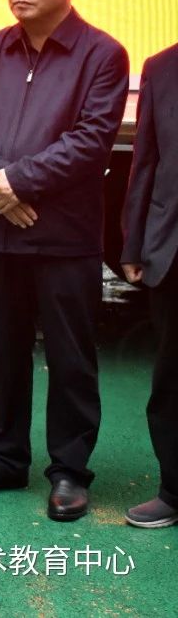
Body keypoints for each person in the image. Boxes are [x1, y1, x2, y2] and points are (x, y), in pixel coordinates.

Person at [0, 0, 128, 521]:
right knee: (3, 350)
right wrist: (1, 189)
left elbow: (91, 139)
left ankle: (70, 470)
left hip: (63, 236)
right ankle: (3, 457)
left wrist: (19, 183)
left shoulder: (101, 54)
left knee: (71, 356)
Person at [121, 40, 178, 528]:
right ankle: (173, 490)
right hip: (172, 250)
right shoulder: (162, 68)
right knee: (171, 380)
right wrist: (134, 244)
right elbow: (146, 161)